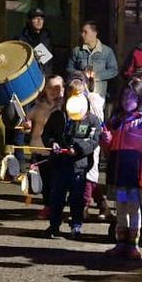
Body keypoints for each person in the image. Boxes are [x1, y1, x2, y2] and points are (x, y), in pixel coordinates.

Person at [99, 80, 142, 260]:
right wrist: (107, 140)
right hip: (119, 170)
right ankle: (121, 243)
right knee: (121, 207)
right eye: (125, 95)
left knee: (133, 207)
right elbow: (109, 150)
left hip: (135, 171)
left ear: (140, 98)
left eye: (132, 96)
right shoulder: (117, 120)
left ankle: (133, 244)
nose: (127, 100)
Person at [38, 80, 101, 239]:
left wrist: (78, 149)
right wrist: (52, 143)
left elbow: (93, 141)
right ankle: (54, 225)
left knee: (77, 198)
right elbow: (47, 134)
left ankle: (76, 225)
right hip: (60, 164)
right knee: (56, 196)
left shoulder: (92, 120)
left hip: (79, 165)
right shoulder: (58, 116)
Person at [66, 20, 120, 98]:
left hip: (99, 94)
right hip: (79, 93)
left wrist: (96, 76)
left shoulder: (107, 51)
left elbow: (113, 70)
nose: (82, 34)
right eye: (82, 32)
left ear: (95, 33)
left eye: (85, 32)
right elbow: (69, 68)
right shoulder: (77, 51)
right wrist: (81, 74)